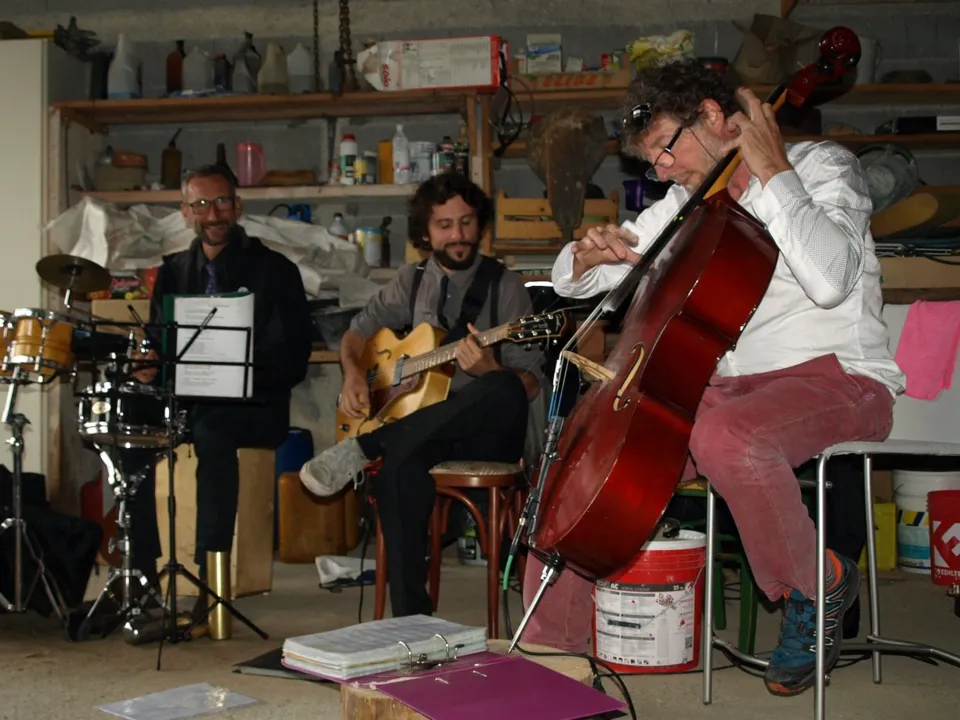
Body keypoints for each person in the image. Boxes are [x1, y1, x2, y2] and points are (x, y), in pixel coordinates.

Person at [520, 59, 905, 697]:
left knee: (726, 436)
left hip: (841, 379)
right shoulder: (687, 203)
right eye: (652, 162)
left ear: (711, 115)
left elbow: (831, 280)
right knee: (585, 464)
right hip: (724, 391)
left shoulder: (821, 168)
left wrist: (775, 175)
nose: (662, 170)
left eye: (666, 148)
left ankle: (817, 585)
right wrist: (584, 260)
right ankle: (551, 656)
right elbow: (595, 274)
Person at [300, 173, 544, 617]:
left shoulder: (506, 286)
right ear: (425, 233)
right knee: (399, 468)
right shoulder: (410, 281)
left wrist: (489, 369)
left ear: (479, 224)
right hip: (423, 431)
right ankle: (410, 620)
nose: (458, 234)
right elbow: (356, 334)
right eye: (445, 225)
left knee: (503, 385)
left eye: (466, 222)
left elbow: (530, 383)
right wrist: (353, 376)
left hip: (487, 433)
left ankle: (367, 446)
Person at [125, 164, 312, 608]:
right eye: (202, 204)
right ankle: (142, 571)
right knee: (128, 419)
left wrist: (240, 373)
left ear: (238, 205)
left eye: (222, 201)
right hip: (188, 401)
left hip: (255, 406)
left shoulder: (276, 270)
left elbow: (295, 358)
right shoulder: (172, 272)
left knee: (213, 430)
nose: (213, 214)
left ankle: (211, 580)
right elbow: (159, 345)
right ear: (185, 211)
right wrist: (149, 366)